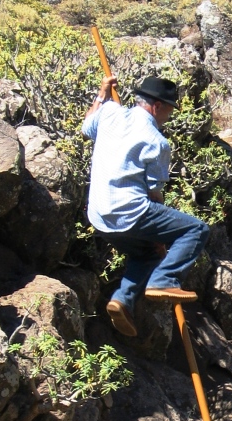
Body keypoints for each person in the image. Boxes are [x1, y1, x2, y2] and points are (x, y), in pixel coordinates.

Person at [82, 75, 210, 337]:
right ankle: (164, 280)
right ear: (158, 106)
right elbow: (154, 194)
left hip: (98, 215)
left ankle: (122, 300)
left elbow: (87, 128)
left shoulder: (109, 112)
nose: (170, 115)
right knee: (196, 230)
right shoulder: (157, 141)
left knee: (145, 255)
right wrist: (160, 234)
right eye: (171, 109)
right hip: (131, 210)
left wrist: (101, 93)